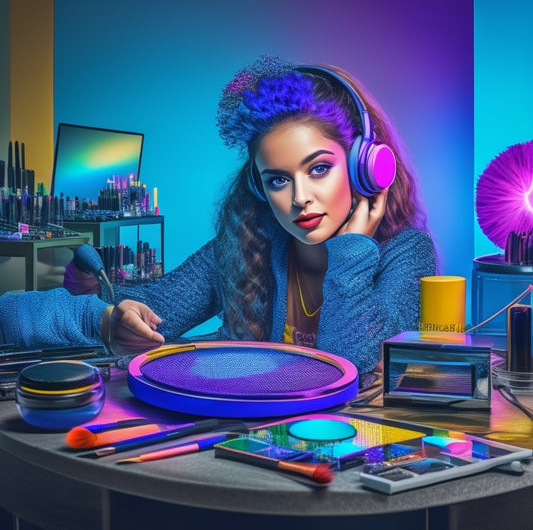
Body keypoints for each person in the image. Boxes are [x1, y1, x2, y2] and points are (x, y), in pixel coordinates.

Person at [1, 55, 436, 373]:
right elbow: (141, 314)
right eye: (278, 180)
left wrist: (352, 251)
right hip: (244, 447)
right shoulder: (248, 244)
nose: (300, 198)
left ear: (366, 166)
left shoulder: (408, 254)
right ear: (258, 187)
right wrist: (104, 320)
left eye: (319, 168)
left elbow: (350, 366)